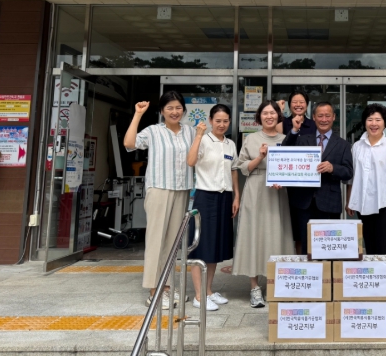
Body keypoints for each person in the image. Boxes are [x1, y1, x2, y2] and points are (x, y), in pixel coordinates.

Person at [123, 91, 195, 309]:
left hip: (182, 189)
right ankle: (154, 290)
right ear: (162, 111)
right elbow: (129, 143)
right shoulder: (153, 131)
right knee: (156, 240)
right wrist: (138, 114)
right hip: (159, 189)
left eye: (178, 107)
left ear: (184, 110)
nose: (175, 111)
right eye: (169, 108)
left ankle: (168, 287)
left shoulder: (190, 131)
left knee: (173, 242)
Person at [232, 100, 294, 308]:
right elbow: (242, 167)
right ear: (259, 117)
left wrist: (284, 180)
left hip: (278, 192)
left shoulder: (286, 139)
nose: (269, 116)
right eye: (265, 113)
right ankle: (254, 287)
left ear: (279, 116)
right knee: (254, 235)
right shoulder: (251, 139)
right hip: (256, 189)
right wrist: (260, 156)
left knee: (277, 234)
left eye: (273, 113)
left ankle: (274, 284)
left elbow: (293, 168)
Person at [186, 104, 239, 312]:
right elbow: (191, 161)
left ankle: (208, 291)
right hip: (205, 197)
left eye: (225, 121)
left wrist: (236, 196)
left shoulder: (230, 144)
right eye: (218, 121)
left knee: (215, 246)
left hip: (225, 197)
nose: (222, 124)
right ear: (210, 121)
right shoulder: (203, 140)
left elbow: (233, 171)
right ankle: (198, 296)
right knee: (200, 246)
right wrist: (198, 136)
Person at [281, 101, 353, 253]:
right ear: (313, 117)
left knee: (328, 247)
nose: (324, 119)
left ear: (334, 117)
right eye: (320, 116)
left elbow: (348, 172)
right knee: (305, 245)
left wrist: (333, 168)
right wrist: (294, 130)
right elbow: (285, 151)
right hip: (304, 201)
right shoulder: (302, 139)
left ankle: (327, 269)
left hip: (329, 202)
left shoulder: (343, 144)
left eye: (327, 115)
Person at [346, 103, 386, 255]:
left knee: (383, 242)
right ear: (364, 122)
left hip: (384, 202)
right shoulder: (357, 146)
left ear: (385, 123)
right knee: (368, 241)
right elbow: (353, 176)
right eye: (370, 119)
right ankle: (372, 270)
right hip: (363, 202)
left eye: (378, 120)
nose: (374, 124)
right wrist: (350, 200)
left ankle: (385, 271)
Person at [276, 91, 316, 254]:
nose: (298, 105)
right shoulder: (284, 122)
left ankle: (307, 260)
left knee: (304, 230)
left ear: (307, 105)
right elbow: (277, 141)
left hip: (307, 184)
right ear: (289, 104)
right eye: (294, 102)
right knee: (291, 229)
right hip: (286, 183)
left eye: (302, 102)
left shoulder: (313, 124)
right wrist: (279, 112)